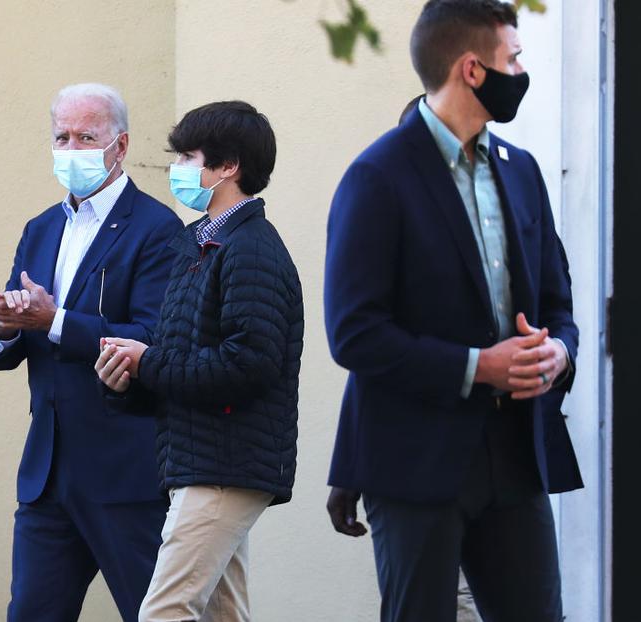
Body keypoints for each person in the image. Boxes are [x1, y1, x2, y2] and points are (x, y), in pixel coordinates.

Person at [323, 2, 580, 621]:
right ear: (471, 69)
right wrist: (478, 366)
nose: (521, 71)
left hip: (516, 454)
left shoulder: (522, 172)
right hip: (415, 461)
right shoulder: (377, 175)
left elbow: (558, 305)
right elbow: (354, 333)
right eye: (512, 58)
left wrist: (558, 352)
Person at [0, 83, 182, 622]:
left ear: (120, 145)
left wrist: (54, 321)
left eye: (86, 137)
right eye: (61, 137)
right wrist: (3, 326)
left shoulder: (157, 230)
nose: (71, 150)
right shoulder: (40, 228)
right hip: (47, 474)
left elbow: (151, 335)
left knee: (154, 614)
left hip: (123, 471)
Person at [95, 100, 303, 622]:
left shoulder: (251, 248)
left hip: (224, 465)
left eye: (188, 156)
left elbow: (247, 364)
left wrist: (148, 365)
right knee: (220, 614)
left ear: (228, 166)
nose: (178, 169)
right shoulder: (199, 243)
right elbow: (181, 357)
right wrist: (127, 378)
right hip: (201, 459)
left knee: (165, 611)